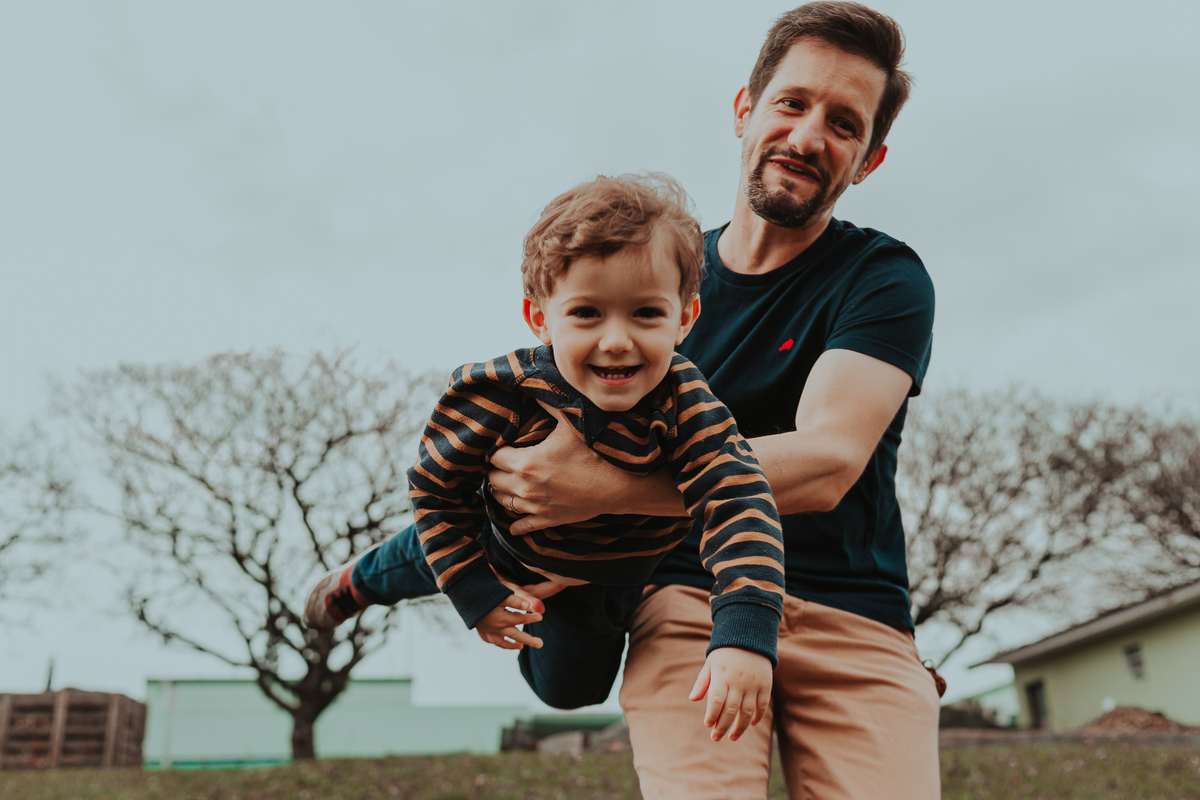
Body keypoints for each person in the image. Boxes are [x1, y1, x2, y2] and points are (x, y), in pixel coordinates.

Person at [311, 2, 939, 796]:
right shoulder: (648, 275)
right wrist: (530, 524)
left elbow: (825, 464)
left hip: (853, 612)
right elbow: (494, 455)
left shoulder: (884, 279)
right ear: (746, 110)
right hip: (682, 590)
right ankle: (364, 578)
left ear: (869, 160)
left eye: (844, 123)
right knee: (506, 506)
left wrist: (599, 489)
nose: (810, 136)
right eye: (792, 103)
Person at [310, 173, 788, 745]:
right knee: (430, 550)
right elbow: (436, 492)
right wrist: (478, 596)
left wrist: (743, 631)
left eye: (646, 314)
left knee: (570, 693)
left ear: (685, 317)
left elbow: (739, 499)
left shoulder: (686, 402)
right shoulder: (499, 392)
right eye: (587, 313)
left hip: (609, 574)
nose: (617, 340)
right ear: (541, 318)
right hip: (500, 539)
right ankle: (359, 580)